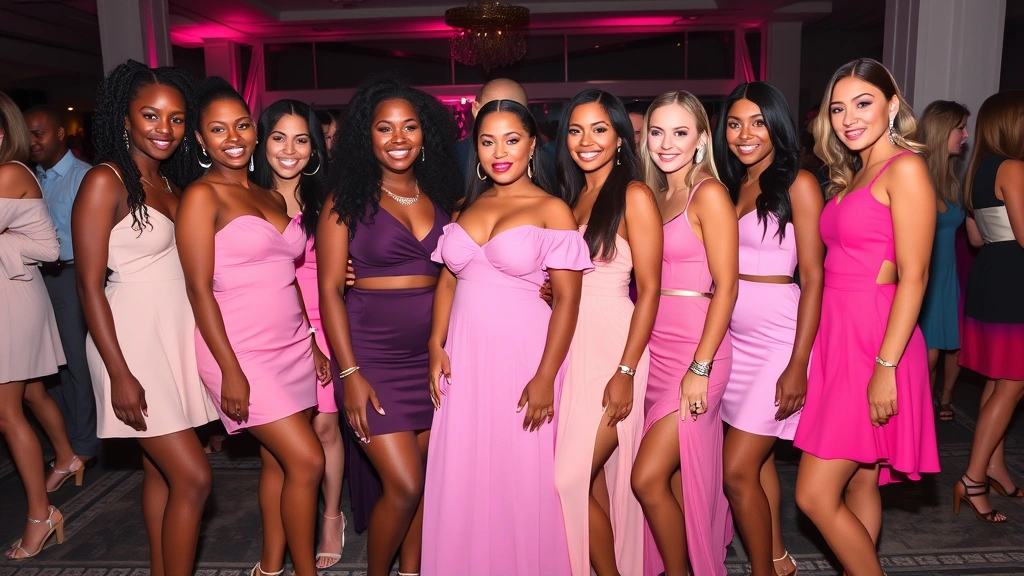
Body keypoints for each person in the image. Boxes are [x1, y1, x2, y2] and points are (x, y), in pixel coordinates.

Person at [423, 98, 591, 576]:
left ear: (533, 145)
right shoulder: (465, 207)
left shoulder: (552, 210)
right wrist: (435, 344)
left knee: (520, 474)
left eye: (512, 140)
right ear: (475, 147)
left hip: (524, 359)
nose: (500, 152)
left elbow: (568, 301)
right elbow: (448, 281)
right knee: (464, 470)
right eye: (488, 141)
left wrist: (545, 376)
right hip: (464, 358)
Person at [793, 58, 940, 575]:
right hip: (840, 338)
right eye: (837, 109)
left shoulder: (906, 168)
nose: (848, 118)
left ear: (892, 106)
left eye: (863, 103)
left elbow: (915, 277)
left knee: (813, 495)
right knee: (860, 481)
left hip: (875, 341)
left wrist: (885, 366)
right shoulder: (853, 175)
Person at [72, 60, 218, 576]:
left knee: (162, 474)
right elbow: (88, 285)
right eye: (151, 116)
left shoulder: (172, 183)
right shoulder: (104, 180)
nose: (165, 129)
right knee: (195, 478)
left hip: (171, 336)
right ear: (125, 118)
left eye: (176, 119)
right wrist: (119, 374)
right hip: (130, 341)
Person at [177, 77, 325, 576]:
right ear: (201, 139)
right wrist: (230, 370)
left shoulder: (271, 198)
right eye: (218, 129)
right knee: (308, 461)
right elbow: (198, 290)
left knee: (280, 463)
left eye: (241, 125)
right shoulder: (201, 197)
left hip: (292, 347)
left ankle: (269, 566)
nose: (233, 137)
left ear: (254, 131)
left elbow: (288, 278)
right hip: (240, 353)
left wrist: (311, 342)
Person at [316, 77, 461, 576]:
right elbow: (330, 292)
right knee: (404, 485)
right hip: (371, 357)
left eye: (409, 127)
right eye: (385, 128)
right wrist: (350, 373)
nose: (398, 138)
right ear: (367, 136)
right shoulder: (345, 201)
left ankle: (412, 570)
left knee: (423, 484)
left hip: (432, 356)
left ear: (426, 134)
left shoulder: (443, 196)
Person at [713, 82, 824, 576]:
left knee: (735, 470)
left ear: (776, 125)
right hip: (734, 340)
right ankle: (778, 559)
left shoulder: (799, 184)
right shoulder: (730, 185)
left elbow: (814, 277)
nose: (745, 134)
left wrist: (798, 363)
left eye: (757, 122)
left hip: (779, 339)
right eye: (735, 124)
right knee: (757, 464)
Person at [549, 89, 661, 576]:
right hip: (570, 348)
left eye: (599, 129)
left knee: (566, 481)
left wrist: (626, 371)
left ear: (620, 138)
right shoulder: (570, 199)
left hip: (613, 346)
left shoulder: (633, 195)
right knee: (591, 482)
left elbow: (650, 290)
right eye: (576, 130)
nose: (586, 140)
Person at [632, 91, 738, 576]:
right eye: (657, 132)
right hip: (655, 350)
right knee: (674, 479)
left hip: (699, 350)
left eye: (680, 132)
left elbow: (728, 287)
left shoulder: (708, 193)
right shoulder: (652, 195)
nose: (666, 143)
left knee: (646, 478)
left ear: (700, 139)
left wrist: (701, 366)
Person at [252, 99, 343, 568]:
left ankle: (331, 515)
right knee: (278, 452)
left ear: (314, 147)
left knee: (324, 427)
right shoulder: (247, 195)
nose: (290, 150)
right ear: (261, 141)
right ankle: (273, 556)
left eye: (301, 139)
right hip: (273, 328)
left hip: (325, 321)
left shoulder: (327, 196)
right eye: (279, 138)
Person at [0, 91, 70, 560]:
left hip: (13, 297)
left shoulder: (9, 172)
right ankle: (66, 456)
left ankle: (40, 514)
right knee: (28, 394)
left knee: (7, 413)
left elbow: (50, 248)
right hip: (13, 291)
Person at [958, 90, 1024, 522]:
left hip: (990, 277)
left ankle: (994, 466)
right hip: (1013, 280)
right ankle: (973, 479)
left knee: (999, 379)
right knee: (1013, 383)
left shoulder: (978, 169)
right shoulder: (1013, 167)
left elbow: (977, 238)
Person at [24, 105, 101, 473]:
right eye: (27, 135)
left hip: (73, 276)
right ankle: (68, 441)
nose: (32, 142)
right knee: (49, 364)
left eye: (38, 133)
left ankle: (86, 444)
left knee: (77, 362)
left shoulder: (84, 177)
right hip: (37, 280)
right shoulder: (30, 178)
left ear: (58, 133)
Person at [916, 101, 970, 421]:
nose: (966, 134)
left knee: (934, 356)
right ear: (941, 131)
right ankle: (913, 419)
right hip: (924, 277)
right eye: (960, 128)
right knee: (927, 357)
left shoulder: (951, 179)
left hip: (947, 277)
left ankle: (921, 421)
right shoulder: (914, 172)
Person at [455, 78, 556, 190]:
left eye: (512, 140)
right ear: (475, 110)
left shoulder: (554, 158)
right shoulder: (452, 156)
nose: (499, 153)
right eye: (491, 109)